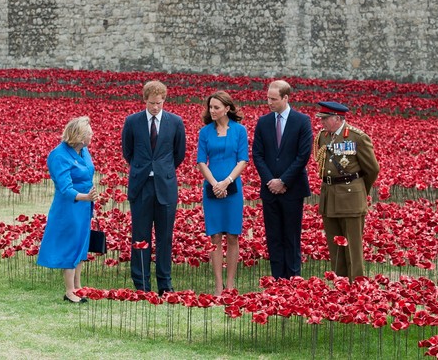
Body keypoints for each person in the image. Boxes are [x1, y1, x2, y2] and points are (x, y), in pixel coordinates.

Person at [121, 80, 186, 295]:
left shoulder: (175, 122)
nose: (155, 107)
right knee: (140, 236)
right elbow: (127, 151)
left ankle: (165, 285)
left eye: (159, 103)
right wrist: (144, 168)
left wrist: (162, 170)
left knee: (165, 237)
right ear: (144, 100)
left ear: (164, 100)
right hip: (141, 185)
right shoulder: (132, 121)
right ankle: (142, 285)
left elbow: (179, 154)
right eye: (151, 103)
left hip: (165, 186)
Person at [252, 80, 313, 279]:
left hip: (292, 189)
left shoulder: (302, 121)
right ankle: (277, 278)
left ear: (286, 98)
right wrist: (271, 180)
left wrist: (283, 181)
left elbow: (303, 155)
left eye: (274, 99)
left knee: (292, 236)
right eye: (268, 98)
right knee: (273, 236)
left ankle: (293, 278)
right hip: (270, 189)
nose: (269, 102)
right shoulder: (264, 122)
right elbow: (258, 154)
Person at [314, 101, 380, 280]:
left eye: (325, 119)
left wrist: (360, 190)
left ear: (337, 118)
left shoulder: (356, 137)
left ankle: (356, 284)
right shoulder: (323, 136)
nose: (322, 123)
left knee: (352, 246)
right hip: (330, 196)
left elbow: (372, 169)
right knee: (334, 246)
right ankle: (340, 283)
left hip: (351, 198)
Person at [36, 116, 98, 304]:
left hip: (85, 205)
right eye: (88, 132)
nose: (92, 134)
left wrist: (91, 196)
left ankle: (78, 286)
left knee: (81, 245)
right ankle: (70, 290)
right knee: (70, 246)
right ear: (79, 136)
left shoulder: (83, 150)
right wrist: (85, 196)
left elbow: (87, 174)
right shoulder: (59, 155)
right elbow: (65, 188)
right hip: (69, 207)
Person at [196, 91, 248, 296]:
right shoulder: (205, 132)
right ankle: (218, 286)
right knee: (215, 236)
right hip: (211, 185)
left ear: (227, 108)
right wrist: (215, 184)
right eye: (211, 107)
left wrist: (226, 182)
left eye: (216, 107)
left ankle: (230, 284)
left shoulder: (239, 131)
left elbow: (242, 160)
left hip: (233, 187)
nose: (213, 111)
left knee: (233, 235)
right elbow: (201, 161)